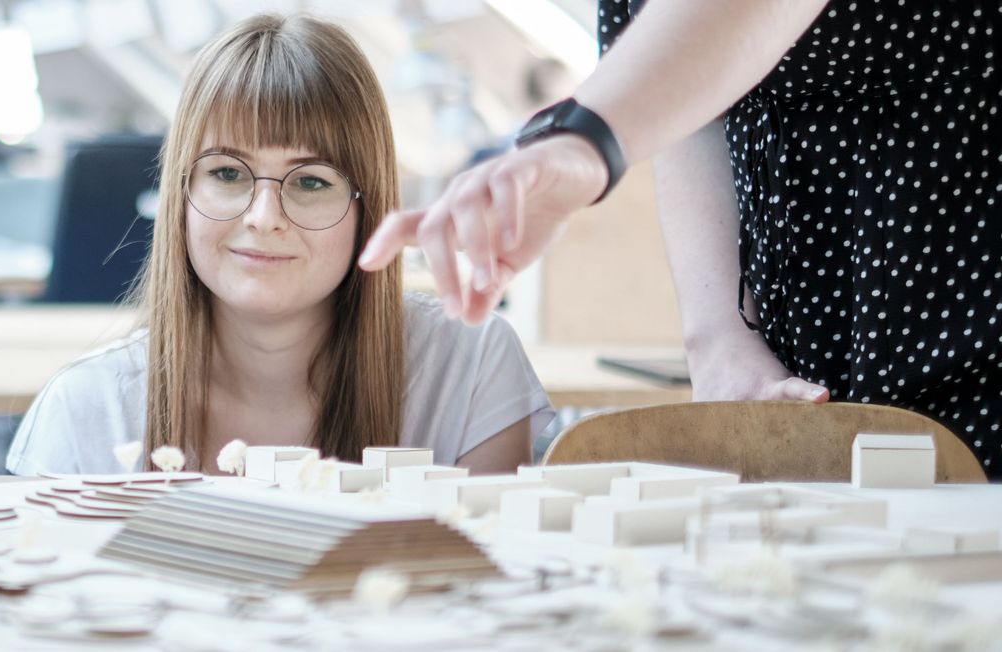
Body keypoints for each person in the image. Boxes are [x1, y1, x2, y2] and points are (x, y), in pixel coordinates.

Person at [358, 0, 999, 478]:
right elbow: (693, 108)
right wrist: (718, 336)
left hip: (962, 282)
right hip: (794, 339)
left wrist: (586, 138)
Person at [5, 14, 553, 476]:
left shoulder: (471, 368)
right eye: (227, 173)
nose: (264, 218)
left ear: (369, 207)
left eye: (311, 181)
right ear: (180, 195)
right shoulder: (88, 410)